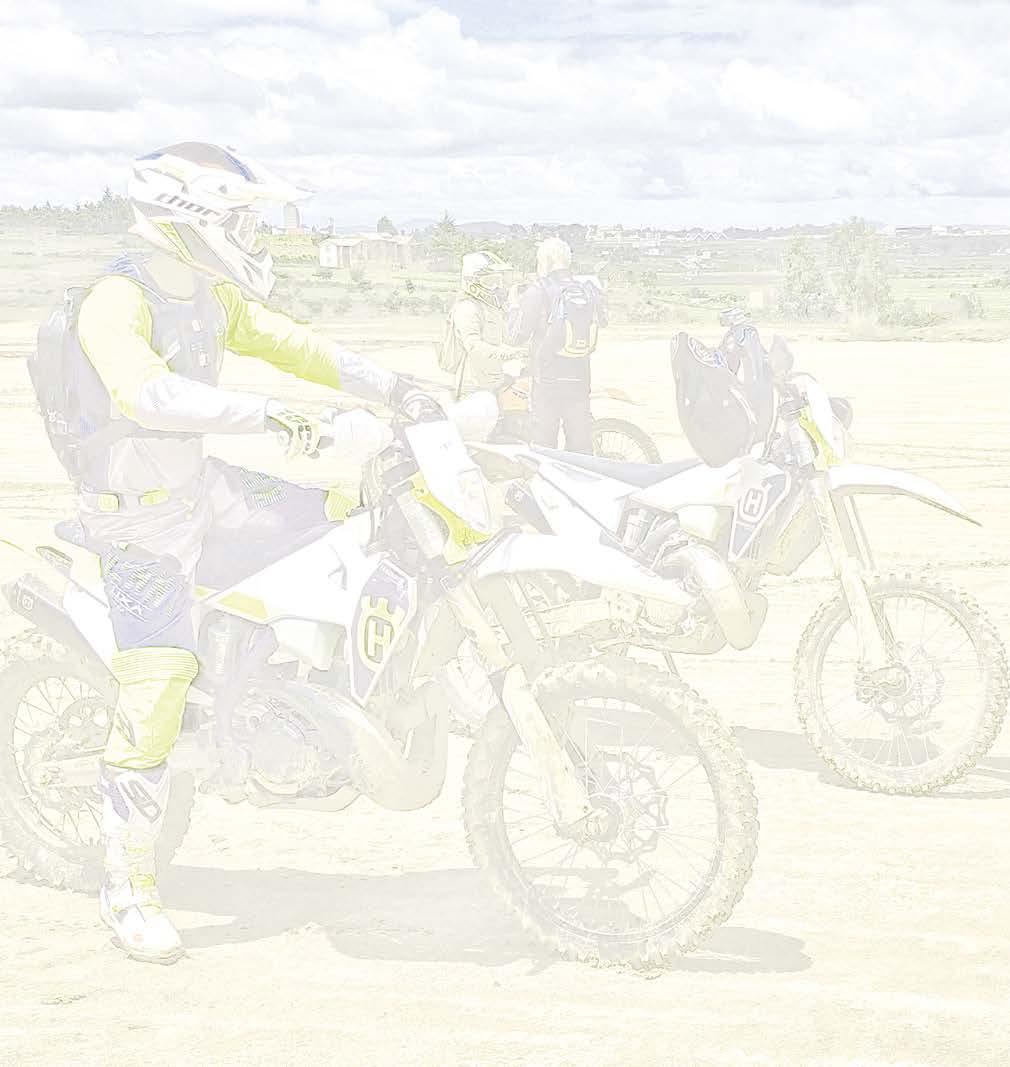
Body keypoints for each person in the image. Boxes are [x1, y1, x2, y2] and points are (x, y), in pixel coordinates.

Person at [53, 142, 424, 964]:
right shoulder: (116, 299)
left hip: (202, 490)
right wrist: (271, 415)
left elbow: (293, 343)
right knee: (156, 685)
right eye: (241, 222)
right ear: (191, 220)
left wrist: (392, 387)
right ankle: (127, 885)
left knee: (346, 518)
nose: (251, 236)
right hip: (136, 523)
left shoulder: (208, 294)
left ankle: (277, 690)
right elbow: (145, 391)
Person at [508, 237, 607, 453]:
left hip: (547, 378)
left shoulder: (538, 290)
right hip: (580, 375)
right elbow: (603, 321)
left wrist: (514, 307)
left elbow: (516, 337)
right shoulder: (586, 290)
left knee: (545, 444)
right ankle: (581, 472)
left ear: (545, 261)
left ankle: (550, 473)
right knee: (579, 440)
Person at [442, 249, 523, 421]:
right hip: (472, 386)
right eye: (490, 280)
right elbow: (473, 345)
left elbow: (507, 339)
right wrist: (506, 353)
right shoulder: (467, 308)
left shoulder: (492, 308)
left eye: (498, 279)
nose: (497, 286)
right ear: (472, 280)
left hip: (493, 381)